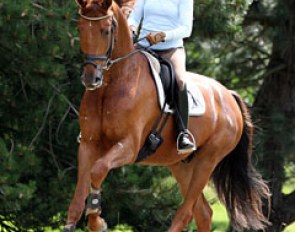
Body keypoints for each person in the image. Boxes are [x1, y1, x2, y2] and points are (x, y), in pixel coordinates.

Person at [128, 0, 196, 154]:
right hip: (143, 47)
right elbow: (134, 17)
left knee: (180, 80)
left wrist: (164, 35)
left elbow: (186, 29)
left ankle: (182, 133)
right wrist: (131, 27)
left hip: (171, 49)